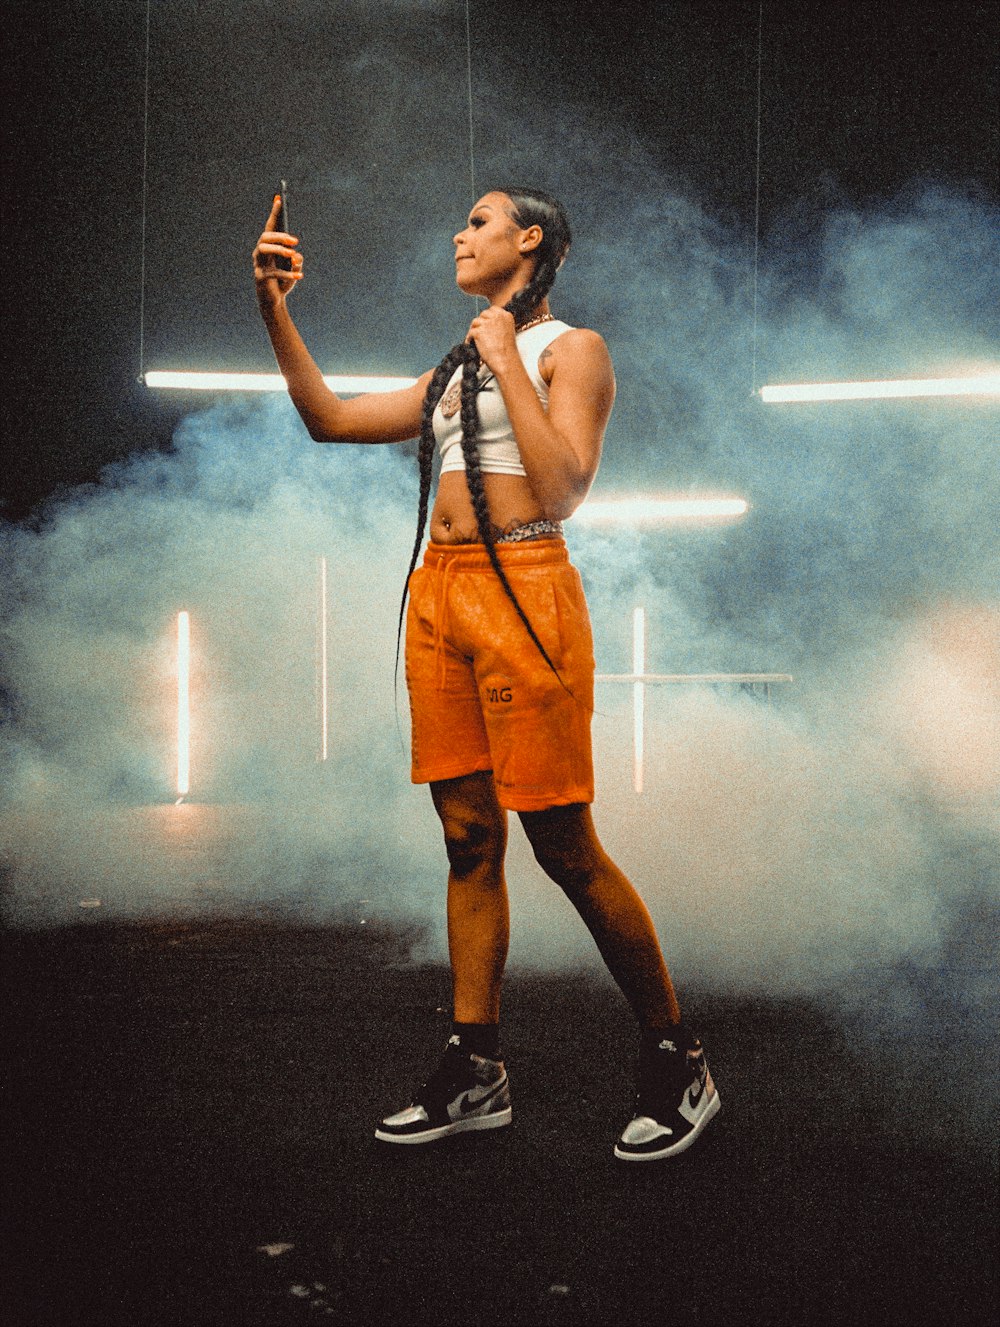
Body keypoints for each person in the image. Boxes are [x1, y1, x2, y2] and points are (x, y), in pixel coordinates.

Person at [252, 186, 719, 1160]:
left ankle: (678, 1061)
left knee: (563, 845)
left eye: (477, 220)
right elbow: (330, 417)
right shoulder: (453, 366)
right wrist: (274, 308)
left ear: (529, 238)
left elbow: (563, 487)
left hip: (525, 588)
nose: (458, 234)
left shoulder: (570, 349)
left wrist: (508, 356)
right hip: (441, 591)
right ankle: (476, 1071)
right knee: (469, 837)